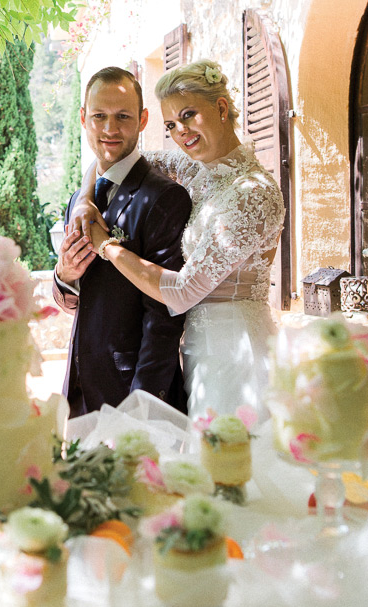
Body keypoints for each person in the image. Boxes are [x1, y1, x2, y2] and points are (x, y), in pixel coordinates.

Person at [71, 59, 285, 421]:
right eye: (171, 124)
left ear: (220, 108)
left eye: (188, 115)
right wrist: (84, 201)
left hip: (234, 353)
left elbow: (183, 291)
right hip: (196, 354)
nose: (181, 132)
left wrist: (106, 246)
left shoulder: (253, 192)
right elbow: (110, 154)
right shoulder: (193, 168)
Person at [52, 66, 192, 418]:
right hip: (80, 390)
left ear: (143, 119)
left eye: (123, 116)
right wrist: (64, 274)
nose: (110, 129)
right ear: (84, 118)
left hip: (131, 392)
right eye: (99, 116)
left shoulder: (164, 198)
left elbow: (164, 319)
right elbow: (73, 301)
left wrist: (140, 409)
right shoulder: (77, 200)